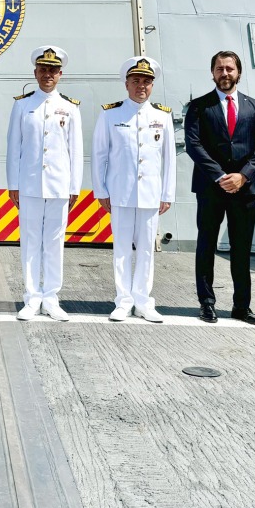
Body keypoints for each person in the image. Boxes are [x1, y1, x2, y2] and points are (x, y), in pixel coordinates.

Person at [184, 50, 255, 325]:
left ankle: (241, 306)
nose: (225, 74)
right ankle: (207, 303)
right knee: (206, 245)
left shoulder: (254, 107)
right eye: (219, 69)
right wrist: (221, 176)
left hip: (245, 190)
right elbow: (193, 145)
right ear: (212, 73)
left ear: (239, 73)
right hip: (211, 188)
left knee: (241, 248)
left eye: (229, 69)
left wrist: (243, 176)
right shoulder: (199, 106)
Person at [92, 56, 176, 323]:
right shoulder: (111, 113)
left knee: (147, 250)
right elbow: (99, 155)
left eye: (147, 81)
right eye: (136, 80)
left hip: (151, 193)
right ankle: (123, 300)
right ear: (126, 84)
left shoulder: (162, 116)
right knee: (122, 250)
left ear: (152, 86)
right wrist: (101, 191)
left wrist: (167, 194)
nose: (142, 86)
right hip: (120, 192)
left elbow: (169, 158)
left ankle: (143, 301)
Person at [6, 46, 83, 322]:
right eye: (43, 70)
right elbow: (14, 147)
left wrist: (75, 186)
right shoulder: (22, 105)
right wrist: (12, 184)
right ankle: (31, 297)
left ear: (60, 74)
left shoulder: (70, 107)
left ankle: (51, 297)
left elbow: (76, 150)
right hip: (28, 185)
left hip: (59, 185)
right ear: (35, 72)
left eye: (53, 70)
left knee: (54, 242)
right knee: (29, 241)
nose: (47, 74)